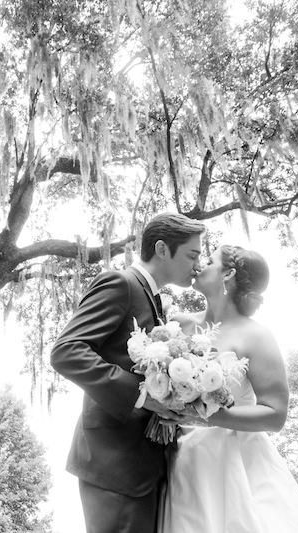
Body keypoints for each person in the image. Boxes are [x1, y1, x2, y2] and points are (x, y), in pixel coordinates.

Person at [50, 213, 205, 533]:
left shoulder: (158, 305)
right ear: (163, 249)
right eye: (192, 255)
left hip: (146, 466)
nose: (197, 266)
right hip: (114, 462)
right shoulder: (120, 283)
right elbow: (67, 351)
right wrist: (143, 396)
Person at [161, 244, 298, 533]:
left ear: (228, 274)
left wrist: (207, 417)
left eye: (209, 261)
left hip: (239, 464)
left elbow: (275, 414)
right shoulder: (177, 325)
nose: (199, 265)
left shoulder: (256, 335)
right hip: (182, 460)